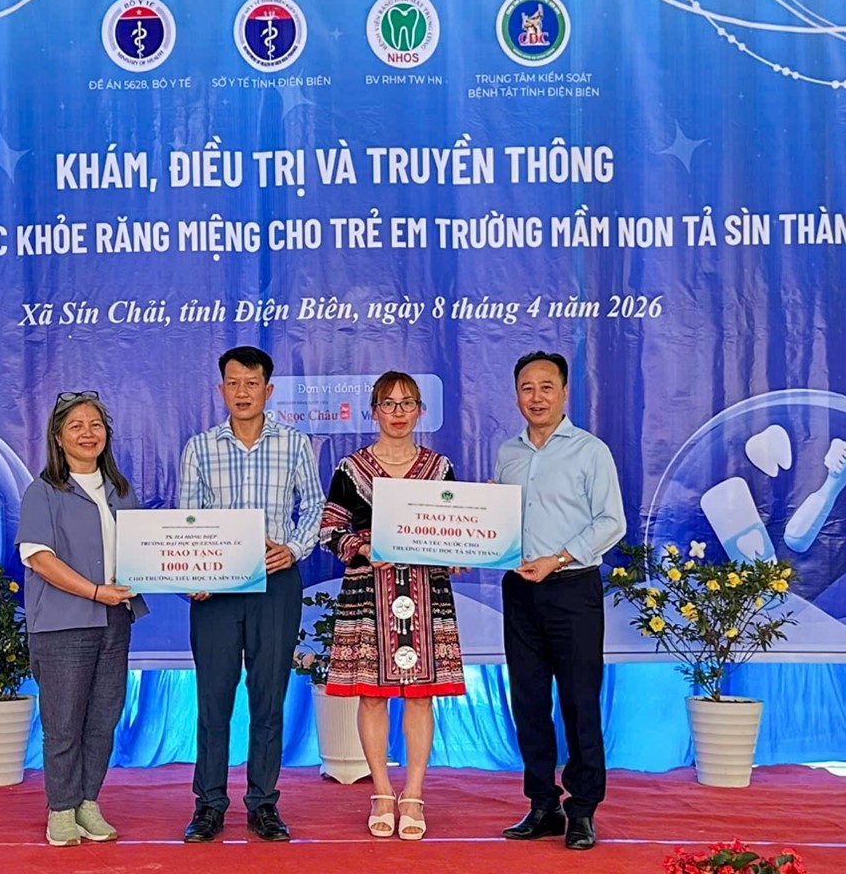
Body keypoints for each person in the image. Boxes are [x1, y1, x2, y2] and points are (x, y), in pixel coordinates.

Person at [178, 346, 323, 843]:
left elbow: (315, 506)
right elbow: (187, 519)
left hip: (275, 584)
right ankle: (208, 805)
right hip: (216, 589)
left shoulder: (295, 443)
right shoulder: (200, 447)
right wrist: (191, 574)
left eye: (252, 383)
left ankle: (263, 803)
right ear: (221, 389)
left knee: (269, 697)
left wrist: (294, 549)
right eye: (234, 383)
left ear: (268, 389)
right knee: (212, 699)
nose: (242, 392)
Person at [320, 371, 466, 841]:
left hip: (426, 589)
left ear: (420, 410)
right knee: (372, 694)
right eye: (388, 403)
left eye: (407, 404)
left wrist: (461, 552)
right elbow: (330, 530)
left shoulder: (439, 468)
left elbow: (456, 526)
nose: (398, 413)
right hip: (369, 589)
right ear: (374, 411)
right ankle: (382, 792)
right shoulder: (351, 468)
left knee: (422, 694)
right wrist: (363, 547)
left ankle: (415, 793)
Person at [494, 351, 625, 851]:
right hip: (519, 591)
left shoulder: (591, 451)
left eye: (546, 387)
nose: (537, 397)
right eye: (527, 388)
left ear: (565, 393)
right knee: (528, 701)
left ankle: (583, 809)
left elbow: (611, 522)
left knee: (579, 701)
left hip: (573, 588)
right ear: (516, 395)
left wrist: (559, 557)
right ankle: (542, 804)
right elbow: (499, 522)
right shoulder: (507, 453)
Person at [15, 391, 149, 847]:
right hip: (62, 624)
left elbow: (144, 550)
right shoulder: (43, 492)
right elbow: (40, 559)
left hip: (115, 620)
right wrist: (94, 591)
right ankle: (61, 808)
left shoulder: (121, 490)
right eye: (76, 426)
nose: (88, 433)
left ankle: (88, 802)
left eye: (96, 425)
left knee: (103, 718)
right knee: (63, 723)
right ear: (58, 437)